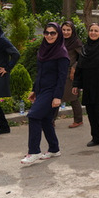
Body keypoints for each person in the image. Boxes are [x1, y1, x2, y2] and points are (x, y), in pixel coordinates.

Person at [21, 22, 69, 164]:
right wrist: (35, 90)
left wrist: (57, 96)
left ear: (58, 34)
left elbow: (62, 78)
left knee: (33, 116)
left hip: (52, 91)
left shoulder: (61, 53)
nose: (49, 36)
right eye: (46, 33)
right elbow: (40, 73)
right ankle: (54, 149)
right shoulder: (43, 50)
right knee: (46, 120)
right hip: (42, 90)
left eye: (53, 33)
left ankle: (34, 151)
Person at [60, 21, 84, 128]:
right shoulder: (59, 41)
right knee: (56, 95)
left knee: (73, 97)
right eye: (64, 30)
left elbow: (83, 57)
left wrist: (74, 68)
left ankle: (78, 120)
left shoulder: (76, 42)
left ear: (72, 31)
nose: (65, 32)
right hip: (59, 71)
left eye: (68, 30)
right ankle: (51, 120)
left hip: (70, 73)